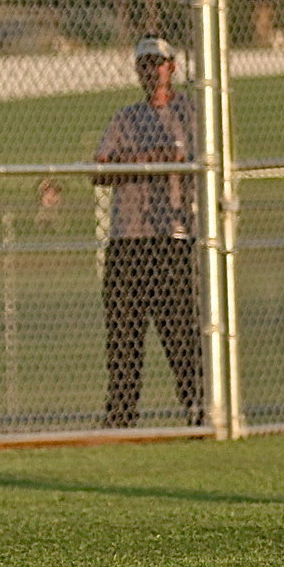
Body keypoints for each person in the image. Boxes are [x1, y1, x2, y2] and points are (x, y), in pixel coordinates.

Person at [94, 35, 204, 428]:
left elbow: (188, 160)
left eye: (157, 62)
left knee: (180, 330)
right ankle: (121, 413)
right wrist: (154, 158)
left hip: (171, 237)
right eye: (144, 64)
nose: (151, 70)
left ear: (171, 67)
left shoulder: (190, 114)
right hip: (127, 239)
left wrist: (130, 161)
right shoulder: (124, 118)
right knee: (123, 331)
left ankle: (197, 405)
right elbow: (100, 170)